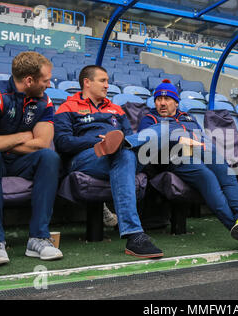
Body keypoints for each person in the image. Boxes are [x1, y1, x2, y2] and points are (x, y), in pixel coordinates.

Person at [97, 79, 238, 253]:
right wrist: (180, 139)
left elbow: (201, 138)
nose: (162, 103)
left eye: (167, 99)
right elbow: (148, 144)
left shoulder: (188, 117)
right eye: (159, 99)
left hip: (199, 152)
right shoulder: (150, 119)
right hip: (173, 158)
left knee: (225, 171)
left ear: (176, 102)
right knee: (208, 178)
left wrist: (194, 141)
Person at [53, 65, 163, 259]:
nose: (107, 85)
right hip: (87, 157)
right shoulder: (68, 107)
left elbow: (130, 137)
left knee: (158, 132)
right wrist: (99, 142)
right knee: (124, 154)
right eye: (102, 80)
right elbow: (63, 143)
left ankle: (118, 144)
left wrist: (121, 142)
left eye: (107, 81)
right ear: (87, 82)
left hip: (119, 153)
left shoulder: (116, 109)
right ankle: (134, 234)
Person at [0, 51, 63, 265]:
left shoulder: (44, 101)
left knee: (49, 157)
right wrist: (22, 136)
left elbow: (42, 143)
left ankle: (38, 238)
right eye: (45, 80)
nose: (49, 85)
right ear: (29, 80)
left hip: (17, 161)